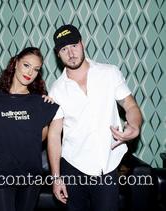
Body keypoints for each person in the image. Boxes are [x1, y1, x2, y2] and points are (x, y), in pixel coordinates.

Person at [47, 24, 143, 211]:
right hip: (72, 166)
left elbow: (130, 105)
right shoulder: (57, 89)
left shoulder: (109, 73)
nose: (71, 53)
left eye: (74, 45)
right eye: (64, 49)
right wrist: (56, 178)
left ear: (82, 44)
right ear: (58, 54)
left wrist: (135, 125)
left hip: (106, 166)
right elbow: (53, 135)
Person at [0, 47, 59, 211]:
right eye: (26, 65)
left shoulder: (40, 103)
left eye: (36, 69)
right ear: (16, 62)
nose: (30, 72)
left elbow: (40, 138)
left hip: (30, 174)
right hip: (1, 173)